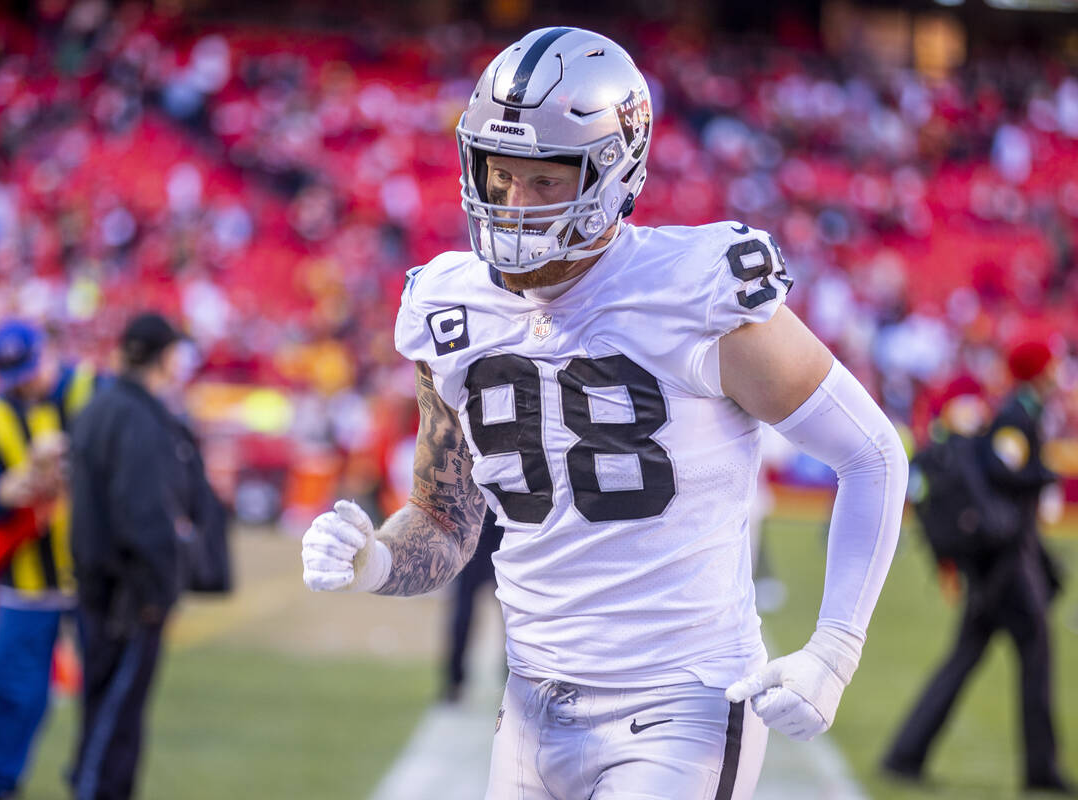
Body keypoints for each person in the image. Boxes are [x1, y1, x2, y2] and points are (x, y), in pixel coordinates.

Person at [301, 27, 909, 799]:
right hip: (527, 706)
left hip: (679, 703)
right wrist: (376, 562)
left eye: (544, 181)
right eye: (499, 174)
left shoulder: (695, 291)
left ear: (614, 173)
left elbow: (873, 455)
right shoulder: (450, 305)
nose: (512, 204)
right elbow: (448, 519)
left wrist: (836, 649)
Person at [883, 341, 1071, 793]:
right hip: (1006, 566)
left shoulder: (1017, 412)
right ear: (1038, 371)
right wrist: (1048, 472)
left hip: (998, 566)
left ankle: (906, 754)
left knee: (965, 659)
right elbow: (1002, 472)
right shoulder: (1016, 416)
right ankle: (1041, 770)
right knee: (1035, 659)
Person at [69, 311, 222, 800]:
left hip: (101, 587)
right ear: (164, 355)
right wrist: (160, 589)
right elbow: (144, 515)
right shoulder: (139, 416)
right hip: (128, 596)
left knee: (105, 714)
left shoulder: (100, 406)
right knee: (112, 724)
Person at [0, 319, 101, 800]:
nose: (26, 383)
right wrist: (12, 487)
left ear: (48, 352)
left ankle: (98, 786)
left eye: (30, 370)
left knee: (105, 696)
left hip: (95, 577)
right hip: (26, 581)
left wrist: (75, 462)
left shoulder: (92, 389)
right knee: (12, 695)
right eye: (14, 376)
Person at [442, 508, 505, 703]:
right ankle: (517, 680)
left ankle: (455, 682)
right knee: (513, 607)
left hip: (476, 515)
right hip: (504, 513)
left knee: (466, 603)